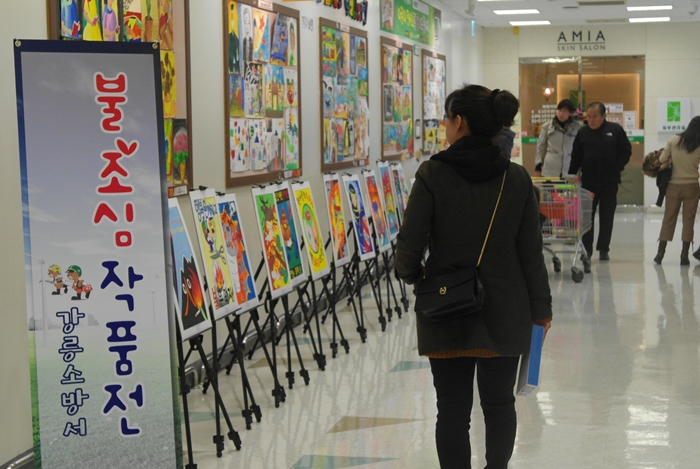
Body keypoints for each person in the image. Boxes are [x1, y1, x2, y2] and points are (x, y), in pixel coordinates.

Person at [395, 84, 552, 469]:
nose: (445, 125)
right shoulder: (516, 179)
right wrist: (541, 310)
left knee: (451, 409)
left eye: (447, 119)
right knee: (499, 404)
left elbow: (408, 251)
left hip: (446, 308)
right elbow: (531, 255)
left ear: (460, 122)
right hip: (506, 309)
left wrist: (417, 277)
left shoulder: (432, 174)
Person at [568, 102, 632, 261]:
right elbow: (576, 157)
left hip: (609, 182)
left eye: (595, 116)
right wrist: (570, 176)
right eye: (589, 116)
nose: (591, 120)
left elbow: (626, 151)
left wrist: (617, 167)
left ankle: (603, 249)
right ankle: (587, 250)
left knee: (607, 216)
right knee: (587, 218)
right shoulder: (583, 133)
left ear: (604, 116)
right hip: (588, 183)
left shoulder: (615, 130)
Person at [654, 116, 700, 265]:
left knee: (668, 219)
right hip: (692, 186)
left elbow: (661, 159)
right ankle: (684, 256)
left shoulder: (674, 140)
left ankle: (660, 254)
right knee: (688, 221)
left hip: (673, 186)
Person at [534, 99, 582, 177]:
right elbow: (540, 147)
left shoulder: (577, 128)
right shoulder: (547, 127)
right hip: (550, 170)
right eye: (559, 110)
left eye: (564, 111)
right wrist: (538, 167)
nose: (561, 113)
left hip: (569, 170)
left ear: (570, 113)